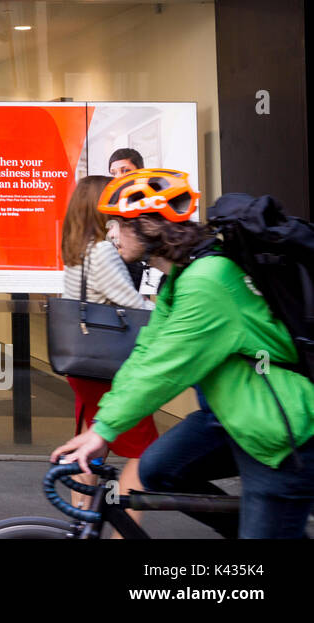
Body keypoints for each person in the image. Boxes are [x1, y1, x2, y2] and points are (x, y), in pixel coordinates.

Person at [52, 169, 314, 538]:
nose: (109, 234)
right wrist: (105, 426)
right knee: (157, 469)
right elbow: (146, 353)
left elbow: (166, 367)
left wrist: (106, 428)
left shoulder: (207, 281)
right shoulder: (179, 278)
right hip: (229, 419)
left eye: (116, 224)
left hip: (278, 433)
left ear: (146, 225)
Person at [58, 175, 157, 522]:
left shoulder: (75, 248)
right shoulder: (101, 251)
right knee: (146, 455)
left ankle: (81, 522)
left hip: (84, 364)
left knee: (89, 444)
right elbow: (132, 306)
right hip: (109, 369)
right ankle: (123, 532)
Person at [107, 148, 150, 290]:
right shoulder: (112, 201)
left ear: (140, 171)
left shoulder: (150, 199)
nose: (119, 177)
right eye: (114, 173)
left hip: (142, 265)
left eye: (125, 171)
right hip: (116, 266)